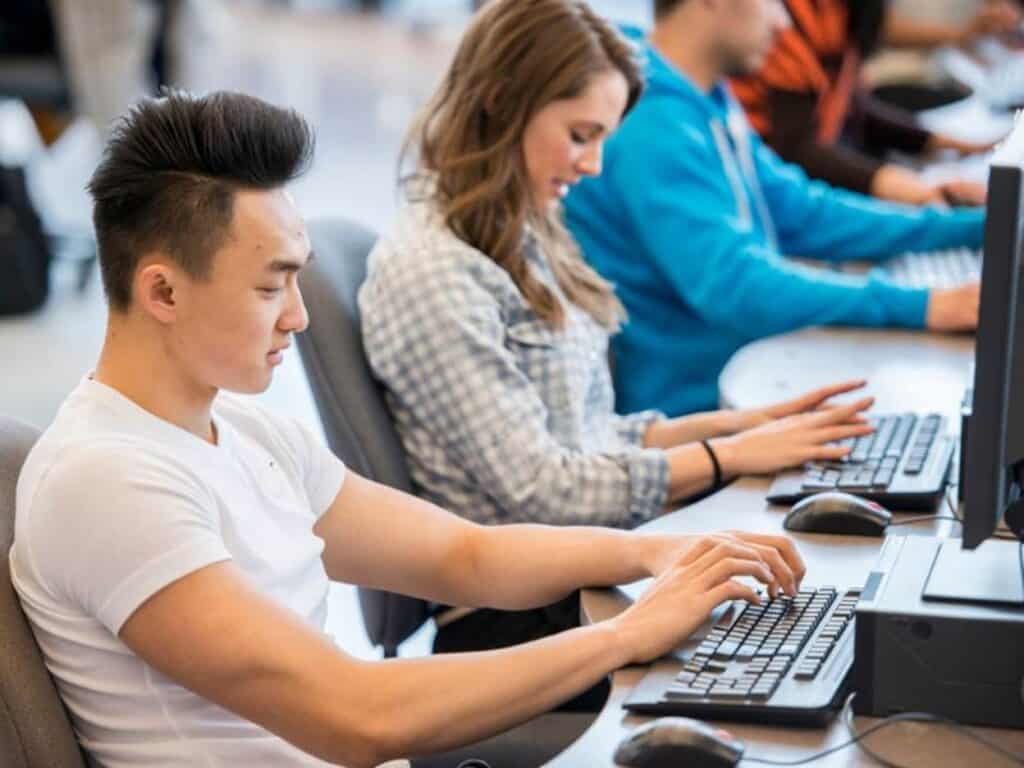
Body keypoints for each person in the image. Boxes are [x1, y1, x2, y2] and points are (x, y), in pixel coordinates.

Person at [10, 87, 810, 768]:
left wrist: (656, 552)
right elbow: (357, 714)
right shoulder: (106, 480)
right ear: (163, 292)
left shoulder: (247, 432)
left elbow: (465, 555)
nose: (296, 315)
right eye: (268, 287)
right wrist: (627, 634)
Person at [359, 0, 870, 670]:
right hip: (522, 621)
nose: (595, 164)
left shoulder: (523, 230)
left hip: (584, 577)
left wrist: (743, 428)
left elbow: (592, 432)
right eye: (580, 135)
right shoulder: (434, 273)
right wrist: (730, 456)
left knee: (826, 624)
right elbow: (544, 490)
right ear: (498, 104)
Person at [564, 0, 984, 417]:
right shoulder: (654, 125)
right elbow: (738, 286)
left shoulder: (701, 94)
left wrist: (969, 227)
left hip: (757, 377)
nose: (783, 23)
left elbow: (800, 210)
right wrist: (922, 306)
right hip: (703, 410)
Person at [729, 0, 994, 204]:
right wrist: (900, 186)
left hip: (792, 194)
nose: (777, 21)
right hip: (773, 195)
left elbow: (852, 112)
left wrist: (948, 143)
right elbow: (796, 152)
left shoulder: (837, 14)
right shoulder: (796, 20)